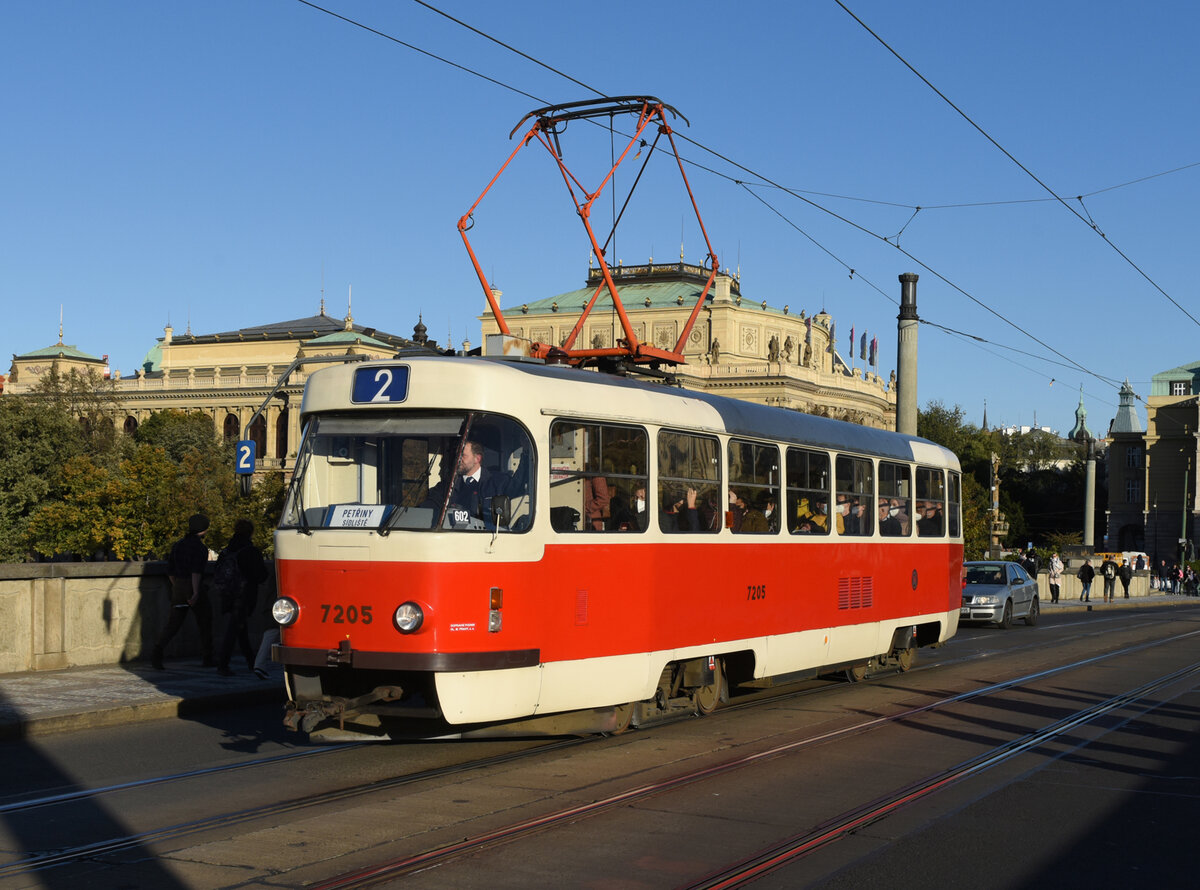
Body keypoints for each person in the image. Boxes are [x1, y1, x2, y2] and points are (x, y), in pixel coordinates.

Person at [152, 513, 214, 670]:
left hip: (178, 586)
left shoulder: (178, 545)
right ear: (204, 529)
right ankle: (208, 657)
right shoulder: (200, 548)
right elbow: (196, 572)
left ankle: (157, 653)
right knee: (205, 622)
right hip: (192, 586)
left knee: (173, 624)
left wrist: (176, 586)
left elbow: (170, 570)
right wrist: (195, 592)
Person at [215, 519, 268, 677]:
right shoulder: (250, 551)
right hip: (243, 595)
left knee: (240, 629)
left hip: (228, 594)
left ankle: (251, 661)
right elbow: (261, 576)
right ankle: (223, 664)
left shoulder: (226, 551)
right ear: (250, 532)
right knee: (234, 630)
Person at [425, 438, 510, 526]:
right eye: (457, 455)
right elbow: (429, 506)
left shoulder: (497, 482)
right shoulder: (447, 486)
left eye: (463, 456)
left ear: (477, 458)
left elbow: (518, 486)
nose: (458, 459)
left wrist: (525, 454)